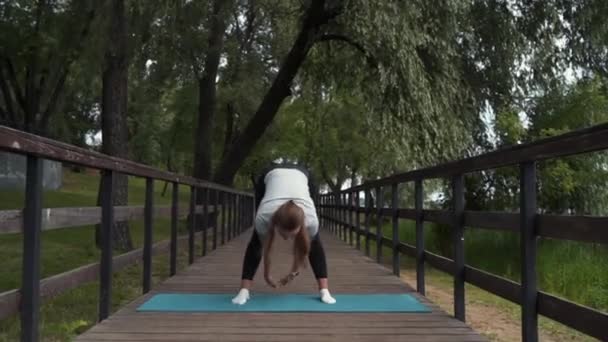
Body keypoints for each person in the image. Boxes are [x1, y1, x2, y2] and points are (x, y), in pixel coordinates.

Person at [231, 163, 336, 305]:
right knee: (256, 242)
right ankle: (244, 291)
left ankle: (324, 290)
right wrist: (267, 276)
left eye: (293, 234)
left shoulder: (310, 220)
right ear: (275, 224)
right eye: (284, 234)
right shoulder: (263, 218)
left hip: (302, 174)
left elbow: (306, 249)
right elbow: (261, 248)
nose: (288, 238)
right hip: (270, 173)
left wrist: (293, 273)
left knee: (315, 244)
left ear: (301, 225)